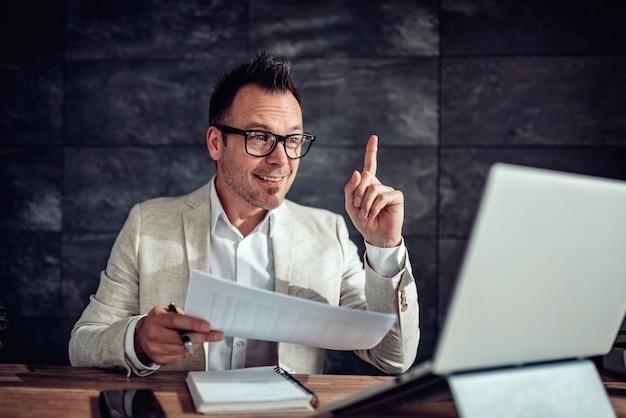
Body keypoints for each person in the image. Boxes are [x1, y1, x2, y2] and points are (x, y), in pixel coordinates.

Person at [69, 52, 419, 377]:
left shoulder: (329, 233)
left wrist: (384, 248)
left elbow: (393, 357)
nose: (281, 160)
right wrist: (138, 340)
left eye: (293, 140)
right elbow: (83, 343)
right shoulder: (148, 223)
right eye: (259, 137)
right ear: (216, 143)